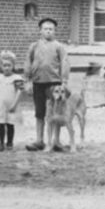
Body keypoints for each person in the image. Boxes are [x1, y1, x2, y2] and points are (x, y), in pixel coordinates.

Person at [24, 17, 70, 152]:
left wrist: (64, 81)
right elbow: (27, 63)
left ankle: (56, 141)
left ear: (55, 31)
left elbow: (65, 63)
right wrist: (27, 80)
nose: (48, 31)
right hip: (38, 83)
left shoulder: (59, 47)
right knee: (40, 112)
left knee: (55, 112)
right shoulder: (33, 46)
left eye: (51, 29)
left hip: (54, 84)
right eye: (45, 29)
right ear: (40, 31)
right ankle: (39, 140)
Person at [0, 50, 25, 152]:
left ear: (13, 66)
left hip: (11, 105)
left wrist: (15, 104)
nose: (6, 68)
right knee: (1, 124)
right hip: (1, 105)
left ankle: (9, 142)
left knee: (10, 124)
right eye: (4, 65)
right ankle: (1, 143)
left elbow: (19, 92)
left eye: (9, 65)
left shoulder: (16, 78)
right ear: (1, 66)